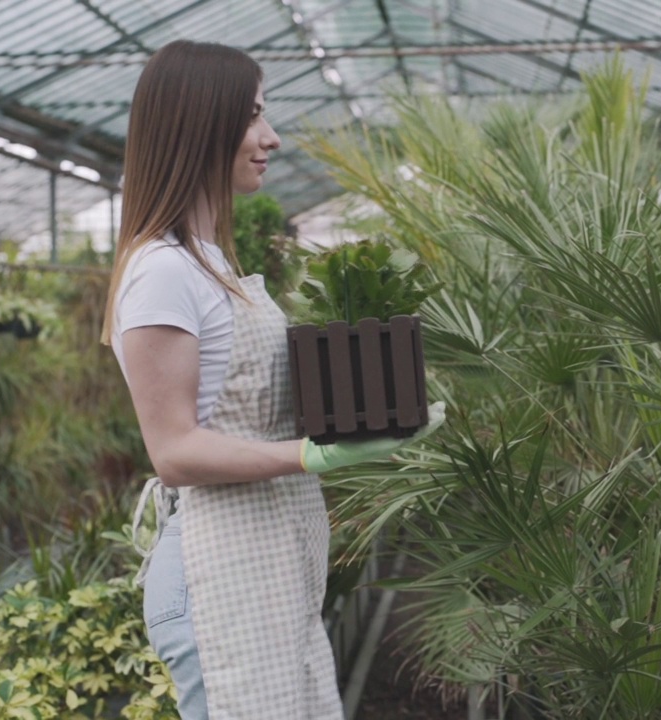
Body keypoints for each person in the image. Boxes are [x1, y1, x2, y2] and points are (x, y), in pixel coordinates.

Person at [102, 41, 444, 720]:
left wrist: (368, 404)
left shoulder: (207, 262)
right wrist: (310, 455)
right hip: (217, 576)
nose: (272, 138)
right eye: (254, 115)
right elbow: (174, 452)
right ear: (202, 123)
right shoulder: (162, 271)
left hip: (264, 567)